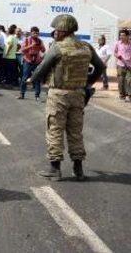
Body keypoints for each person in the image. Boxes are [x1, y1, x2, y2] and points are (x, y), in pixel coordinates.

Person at [31, 14, 104, 181]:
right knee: (75, 131)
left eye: (56, 29)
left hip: (58, 94)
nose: (55, 32)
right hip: (78, 94)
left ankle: (55, 169)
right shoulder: (86, 47)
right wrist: (87, 83)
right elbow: (100, 67)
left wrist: (32, 79)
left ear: (63, 30)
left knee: (55, 129)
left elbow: (42, 68)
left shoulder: (58, 47)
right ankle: (78, 169)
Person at [19, 26, 45, 100]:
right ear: (31, 33)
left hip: (36, 61)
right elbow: (22, 50)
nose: (35, 34)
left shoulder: (39, 41)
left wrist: (42, 47)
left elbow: (43, 50)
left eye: (37, 33)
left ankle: (37, 95)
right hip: (28, 61)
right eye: (34, 33)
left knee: (37, 78)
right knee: (24, 78)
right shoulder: (27, 40)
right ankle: (22, 94)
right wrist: (31, 46)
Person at [113, 29, 131, 102]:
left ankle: (129, 95)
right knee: (121, 80)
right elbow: (114, 52)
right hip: (120, 64)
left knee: (129, 80)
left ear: (127, 36)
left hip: (129, 65)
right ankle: (122, 95)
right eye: (120, 35)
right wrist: (118, 56)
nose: (121, 37)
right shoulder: (117, 43)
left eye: (123, 35)